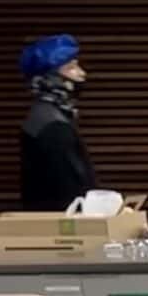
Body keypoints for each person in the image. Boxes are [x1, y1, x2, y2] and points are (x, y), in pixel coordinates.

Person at [18, 34, 94, 211]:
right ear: (51, 78)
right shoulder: (53, 126)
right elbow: (70, 189)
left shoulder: (44, 116)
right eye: (72, 68)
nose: (82, 74)